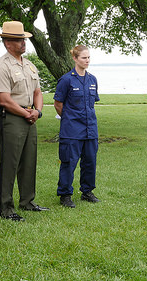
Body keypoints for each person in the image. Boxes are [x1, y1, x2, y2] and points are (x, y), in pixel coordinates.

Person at [0, 21, 49, 221]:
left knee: (29, 161)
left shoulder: (29, 65)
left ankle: (27, 201)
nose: (24, 43)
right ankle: (6, 208)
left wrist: (37, 112)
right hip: (12, 118)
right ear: (7, 43)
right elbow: (4, 99)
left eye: (24, 39)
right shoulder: (0, 66)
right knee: (10, 163)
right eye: (19, 40)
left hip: (30, 117)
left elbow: (37, 92)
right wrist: (26, 114)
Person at [54, 45, 100, 208]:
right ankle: (65, 194)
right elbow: (58, 103)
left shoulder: (92, 79)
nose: (87, 61)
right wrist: (69, 120)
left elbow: (92, 103)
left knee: (90, 162)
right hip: (72, 131)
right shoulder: (66, 80)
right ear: (75, 58)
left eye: (88, 58)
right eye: (83, 58)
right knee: (68, 162)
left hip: (90, 129)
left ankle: (87, 192)